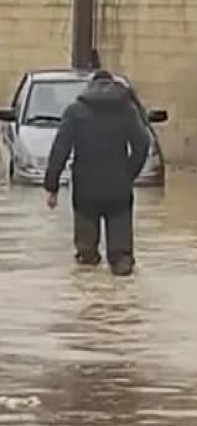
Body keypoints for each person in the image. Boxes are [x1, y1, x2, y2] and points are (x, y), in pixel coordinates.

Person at [43, 71, 151, 276]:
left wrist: (52, 187)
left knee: (86, 259)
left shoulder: (75, 112)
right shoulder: (127, 111)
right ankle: (122, 300)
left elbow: (60, 149)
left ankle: (88, 298)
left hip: (85, 190)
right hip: (118, 189)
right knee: (122, 259)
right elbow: (143, 144)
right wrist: (128, 173)